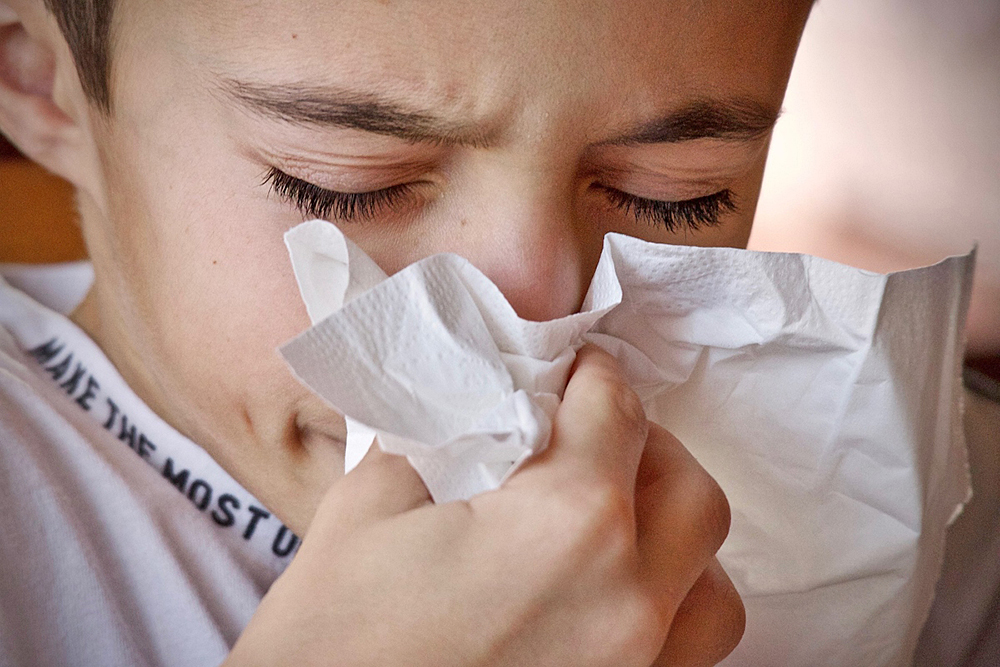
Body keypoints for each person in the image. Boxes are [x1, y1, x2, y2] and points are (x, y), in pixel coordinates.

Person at [0, 0, 815, 664]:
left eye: (674, 196)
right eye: (349, 189)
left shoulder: (841, 482)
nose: (537, 317)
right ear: (42, 84)